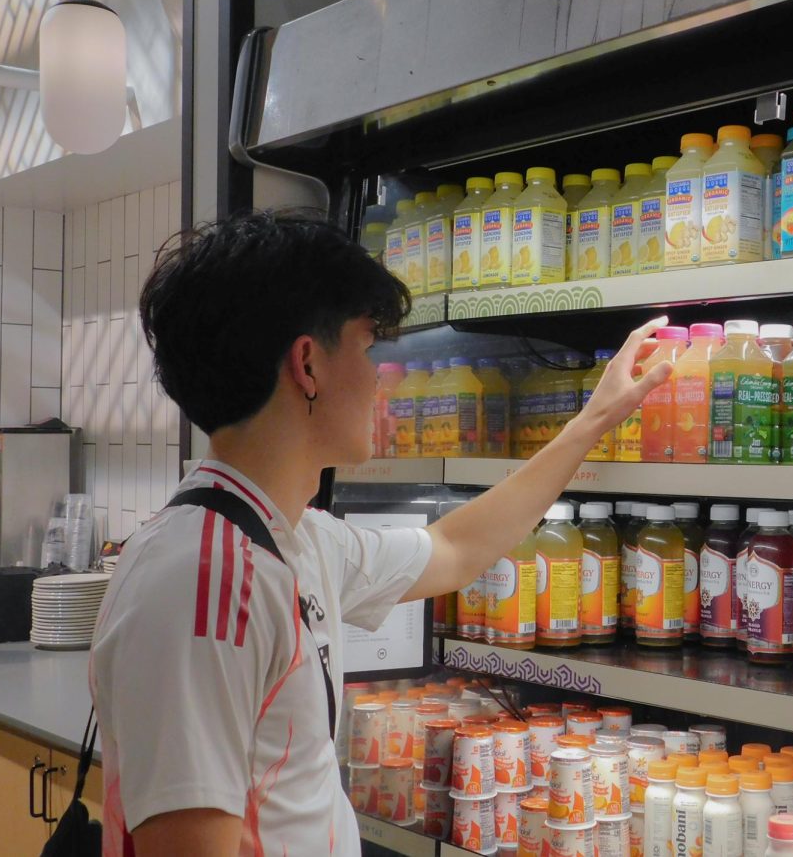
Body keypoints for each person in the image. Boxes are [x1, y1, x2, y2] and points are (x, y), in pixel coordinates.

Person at [90, 210, 672, 857]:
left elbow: (454, 551)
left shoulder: (292, 540)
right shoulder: (207, 586)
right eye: (368, 346)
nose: (378, 379)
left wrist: (594, 418)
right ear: (308, 365)